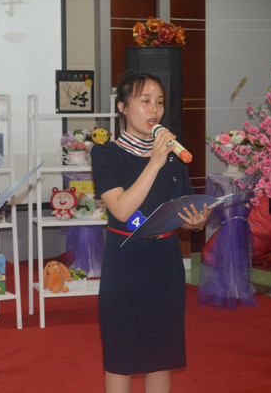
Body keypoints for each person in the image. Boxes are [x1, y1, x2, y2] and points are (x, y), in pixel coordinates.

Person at [90, 71, 213, 393]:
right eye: (145, 101)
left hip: (165, 261)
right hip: (125, 262)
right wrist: (155, 161)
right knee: (121, 355)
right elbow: (121, 210)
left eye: (159, 102)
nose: (154, 109)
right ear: (122, 107)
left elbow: (181, 210)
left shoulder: (174, 156)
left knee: (162, 354)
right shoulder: (105, 154)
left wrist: (195, 220)